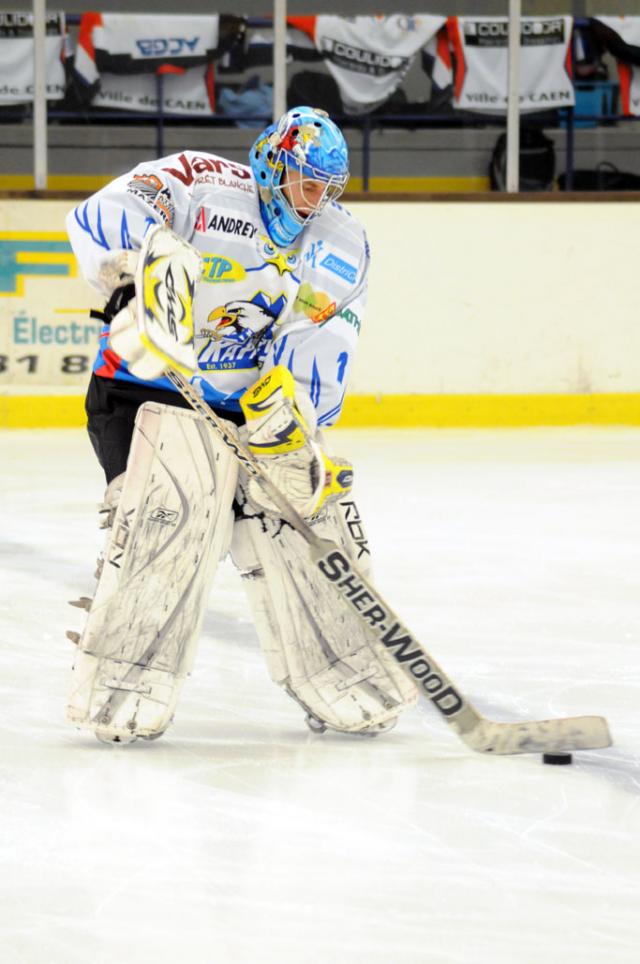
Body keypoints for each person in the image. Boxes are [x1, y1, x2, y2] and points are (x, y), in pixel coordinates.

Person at [65, 106, 417, 744]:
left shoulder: (340, 244)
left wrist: (295, 425)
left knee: (308, 519)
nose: (315, 203)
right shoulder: (200, 185)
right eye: (307, 182)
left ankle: (346, 672)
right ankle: (122, 682)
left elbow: (322, 348)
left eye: (327, 189)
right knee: (175, 510)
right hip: (144, 391)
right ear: (272, 163)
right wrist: (132, 264)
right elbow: (105, 209)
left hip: (253, 411)